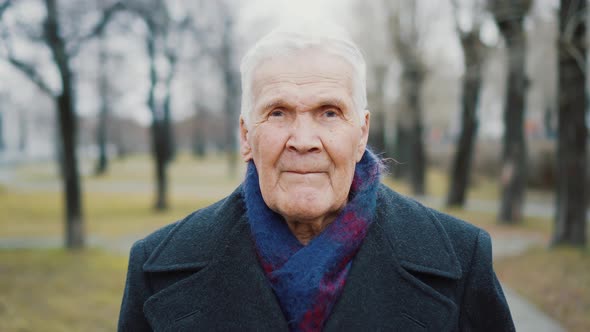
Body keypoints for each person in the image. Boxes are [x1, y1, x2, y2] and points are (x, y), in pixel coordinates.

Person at [118, 21, 515, 332]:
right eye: (278, 112)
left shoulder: (462, 259)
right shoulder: (157, 267)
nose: (303, 141)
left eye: (329, 112)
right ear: (245, 137)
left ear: (361, 134)